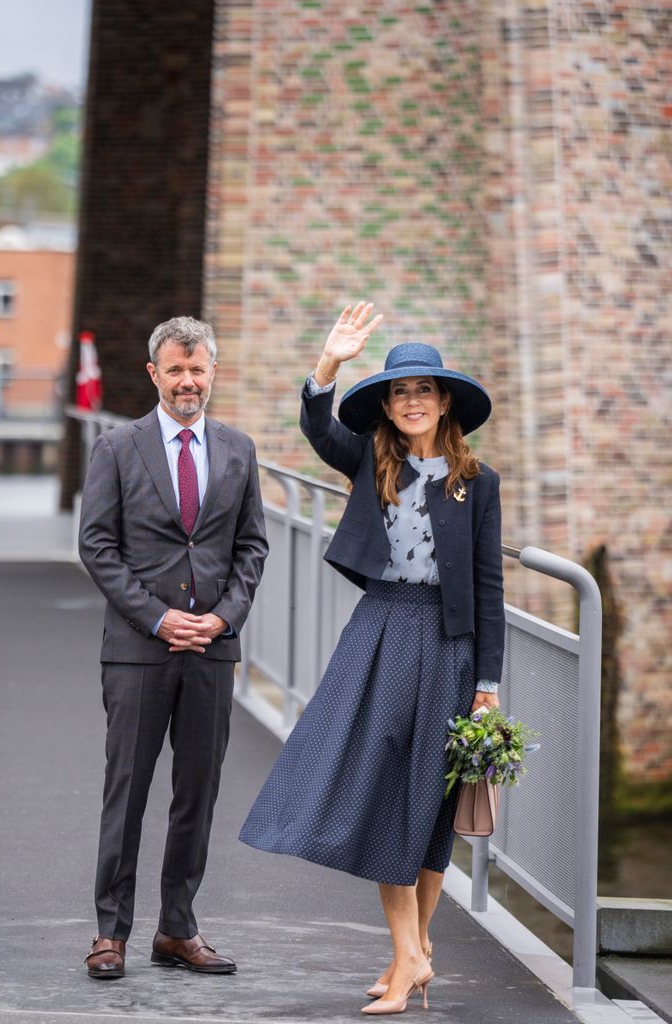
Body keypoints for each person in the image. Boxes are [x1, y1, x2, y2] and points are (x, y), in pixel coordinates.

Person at [240, 302, 504, 1015]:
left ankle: (411, 957)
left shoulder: (476, 483)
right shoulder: (370, 457)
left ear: (444, 401)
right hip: (381, 631)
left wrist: (487, 683)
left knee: (429, 802)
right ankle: (409, 954)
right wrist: (330, 361)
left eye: (422, 390)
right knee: (381, 790)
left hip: (448, 649)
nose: (410, 401)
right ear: (385, 407)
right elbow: (317, 424)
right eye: (398, 392)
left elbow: (487, 588)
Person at [79, 316, 268, 979]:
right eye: (176, 370)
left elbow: (252, 548)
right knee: (125, 792)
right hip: (138, 650)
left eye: (198, 369)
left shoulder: (238, 450)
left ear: (212, 372)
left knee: (198, 792)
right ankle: (111, 933)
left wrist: (222, 619)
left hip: (211, 652)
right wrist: (158, 618)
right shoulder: (116, 448)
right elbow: (96, 545)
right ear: (155, 374)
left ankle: (177, 930)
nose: (188, 381)